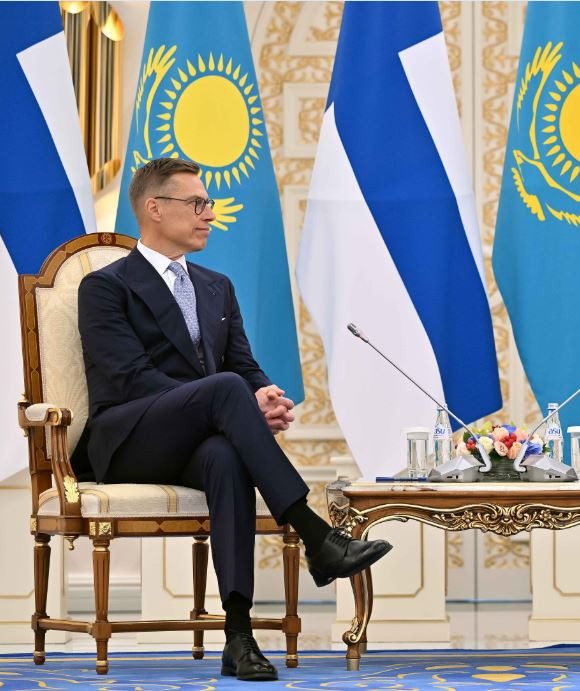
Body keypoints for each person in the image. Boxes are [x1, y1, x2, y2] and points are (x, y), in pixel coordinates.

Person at [75, 157, 391, 681]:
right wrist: (228, 401)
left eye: (209, 203)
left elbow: (241, 364)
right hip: (130, 439)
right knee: (224, 392)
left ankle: (238, 636)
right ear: (154, 208)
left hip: (198, 439)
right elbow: (131, 379)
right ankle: (315, 534)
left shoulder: (216, 285)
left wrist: (261, 393)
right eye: (196, 203)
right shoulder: (105, 286)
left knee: (226, 455)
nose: (209, 214)